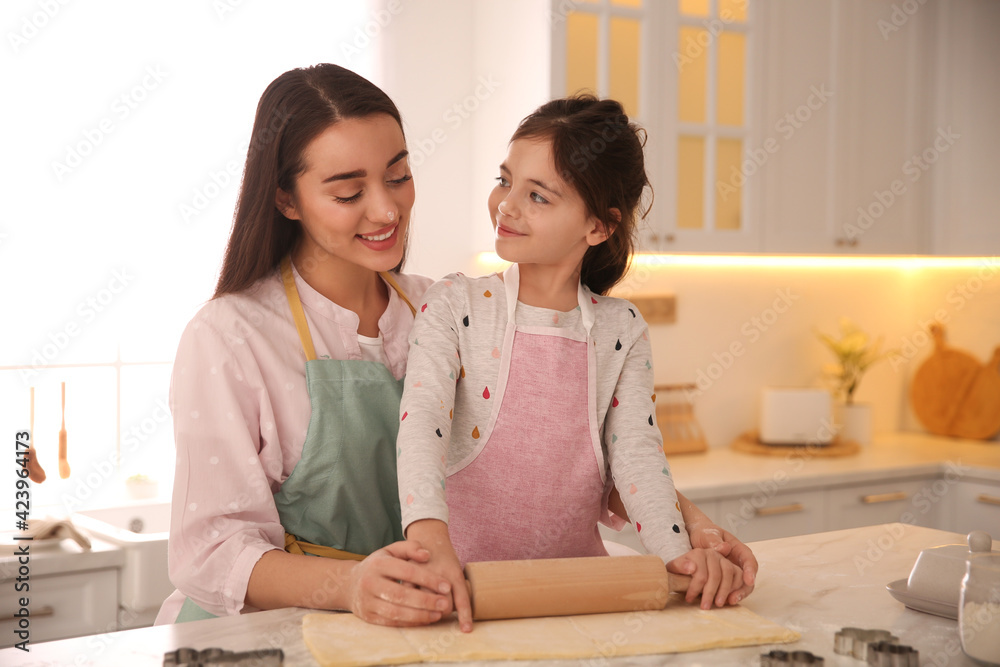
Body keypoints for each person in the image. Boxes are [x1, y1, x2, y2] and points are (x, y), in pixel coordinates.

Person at [396, 96, 756, 633]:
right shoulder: (454, 305)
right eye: (505, 180)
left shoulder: (620, 330)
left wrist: (680, 554)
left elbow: (635, 457)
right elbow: (422, 424)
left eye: (537, 195)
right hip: (462, 596)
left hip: (581, 601)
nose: (506, 205)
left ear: (598, 226)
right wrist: (428, 547)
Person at [155, 63, 455, 626]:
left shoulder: (441, 313)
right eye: (348, 192)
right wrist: (351, 584)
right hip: (258, 637)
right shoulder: (230, 336)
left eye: (398, 176)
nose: (387, 211)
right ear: (287, 201)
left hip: (399, 626)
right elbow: (209, 552)